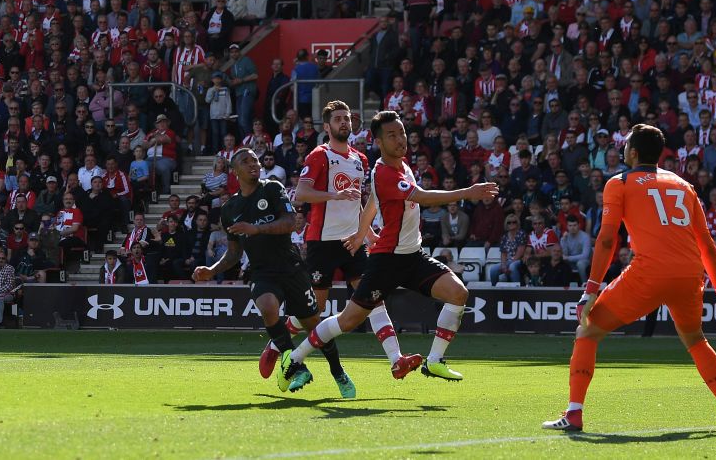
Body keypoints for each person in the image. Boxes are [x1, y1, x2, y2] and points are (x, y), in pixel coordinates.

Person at [542, 124, 716, 433]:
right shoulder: (683, 185)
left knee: (587, 331)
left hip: (650, 271)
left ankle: (574, 414)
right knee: (696, 340)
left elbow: (607, 240)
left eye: (625, 146)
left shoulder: (619, 182)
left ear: (633, 153)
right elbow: (707, 244)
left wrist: (591, 289)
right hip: (690, 273)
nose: (622, 150)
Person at [284, 111, 498, 388]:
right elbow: (421, 196)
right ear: (378, 142)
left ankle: (434, 361)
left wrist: (361, 234)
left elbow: (372, 202)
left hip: (413, 256)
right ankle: (297, 356)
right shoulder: (384, 171)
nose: (400, 140)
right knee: (348, 320)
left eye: (402, 133)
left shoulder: (402, 166)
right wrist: (469, 191)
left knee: (458, 293)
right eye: (392, 135)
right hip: (386, 261)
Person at [260, 100, 418, 381]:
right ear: (328, 126)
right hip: (322, 242)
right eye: (338, 119)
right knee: (315, 310)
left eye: (347, 118)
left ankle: (396, 359)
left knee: (374, 299)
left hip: (352, 243)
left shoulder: (361, 159)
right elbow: (301, 195)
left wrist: (367, 234)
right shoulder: (319, 156)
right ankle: (275, 345)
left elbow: (359, 204)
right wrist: (334, 195)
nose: (344, 122)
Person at [192, 148, 356, 397]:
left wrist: (256, 229)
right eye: (246, 162)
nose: (253, 165)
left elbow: (290, 222)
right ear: (235, 172)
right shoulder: (230, 209)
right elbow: (234, 252)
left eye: (255, 160)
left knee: (313, 324)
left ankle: (338, 372)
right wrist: (212, 270)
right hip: (261, 271)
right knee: (268, 307)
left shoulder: (272, 188)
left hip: (291, 268)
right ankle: (297, 367)